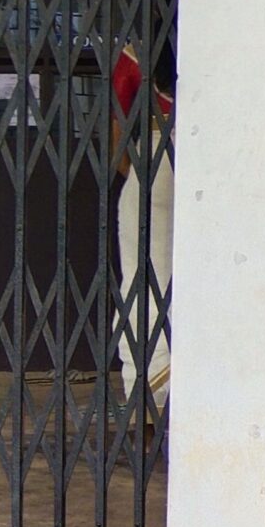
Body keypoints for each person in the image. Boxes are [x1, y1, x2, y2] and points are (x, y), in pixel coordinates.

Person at [110, 43, 174, 426]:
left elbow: (116, 139)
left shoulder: (136, 53)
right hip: (213, 158)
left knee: (144, 277)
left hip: (154, 158)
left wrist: (133, 174)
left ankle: (150, 388)